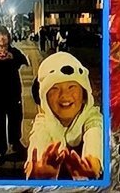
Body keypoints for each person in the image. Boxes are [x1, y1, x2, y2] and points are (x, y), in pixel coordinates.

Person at [25, 51, 104, 180]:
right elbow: (38, 138)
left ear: (84, 95)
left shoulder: (92, 116)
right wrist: (38, 167)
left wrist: (94, 161)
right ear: (44, 98)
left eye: (72, 86)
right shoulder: (44, 121)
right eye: (55, 88)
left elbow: (95, 133)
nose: (64, 95)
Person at [0, 25, 30, 164]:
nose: (1, 38)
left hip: (14, 91)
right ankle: (0, 150)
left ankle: (15, 142)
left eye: (4, 35)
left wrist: (11, 57)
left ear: (8, 37)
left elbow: (24, 61)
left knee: (16, 118)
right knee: (0, 121)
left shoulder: (14, 51)